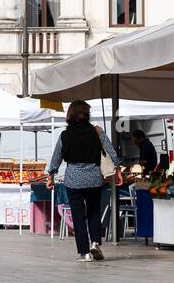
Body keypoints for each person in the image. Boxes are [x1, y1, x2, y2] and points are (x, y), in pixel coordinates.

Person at [47, 100, 120, 263]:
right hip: (94, 178)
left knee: (78, 216)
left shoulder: (65, 135)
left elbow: (56, 157)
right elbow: (111, 151)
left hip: (74, 179)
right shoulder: (97, 131)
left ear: (70, 115)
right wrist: (117, 167)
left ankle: (84, 253)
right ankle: (95, 242)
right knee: (94, 211)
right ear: (87, 115)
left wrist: (51, 174)